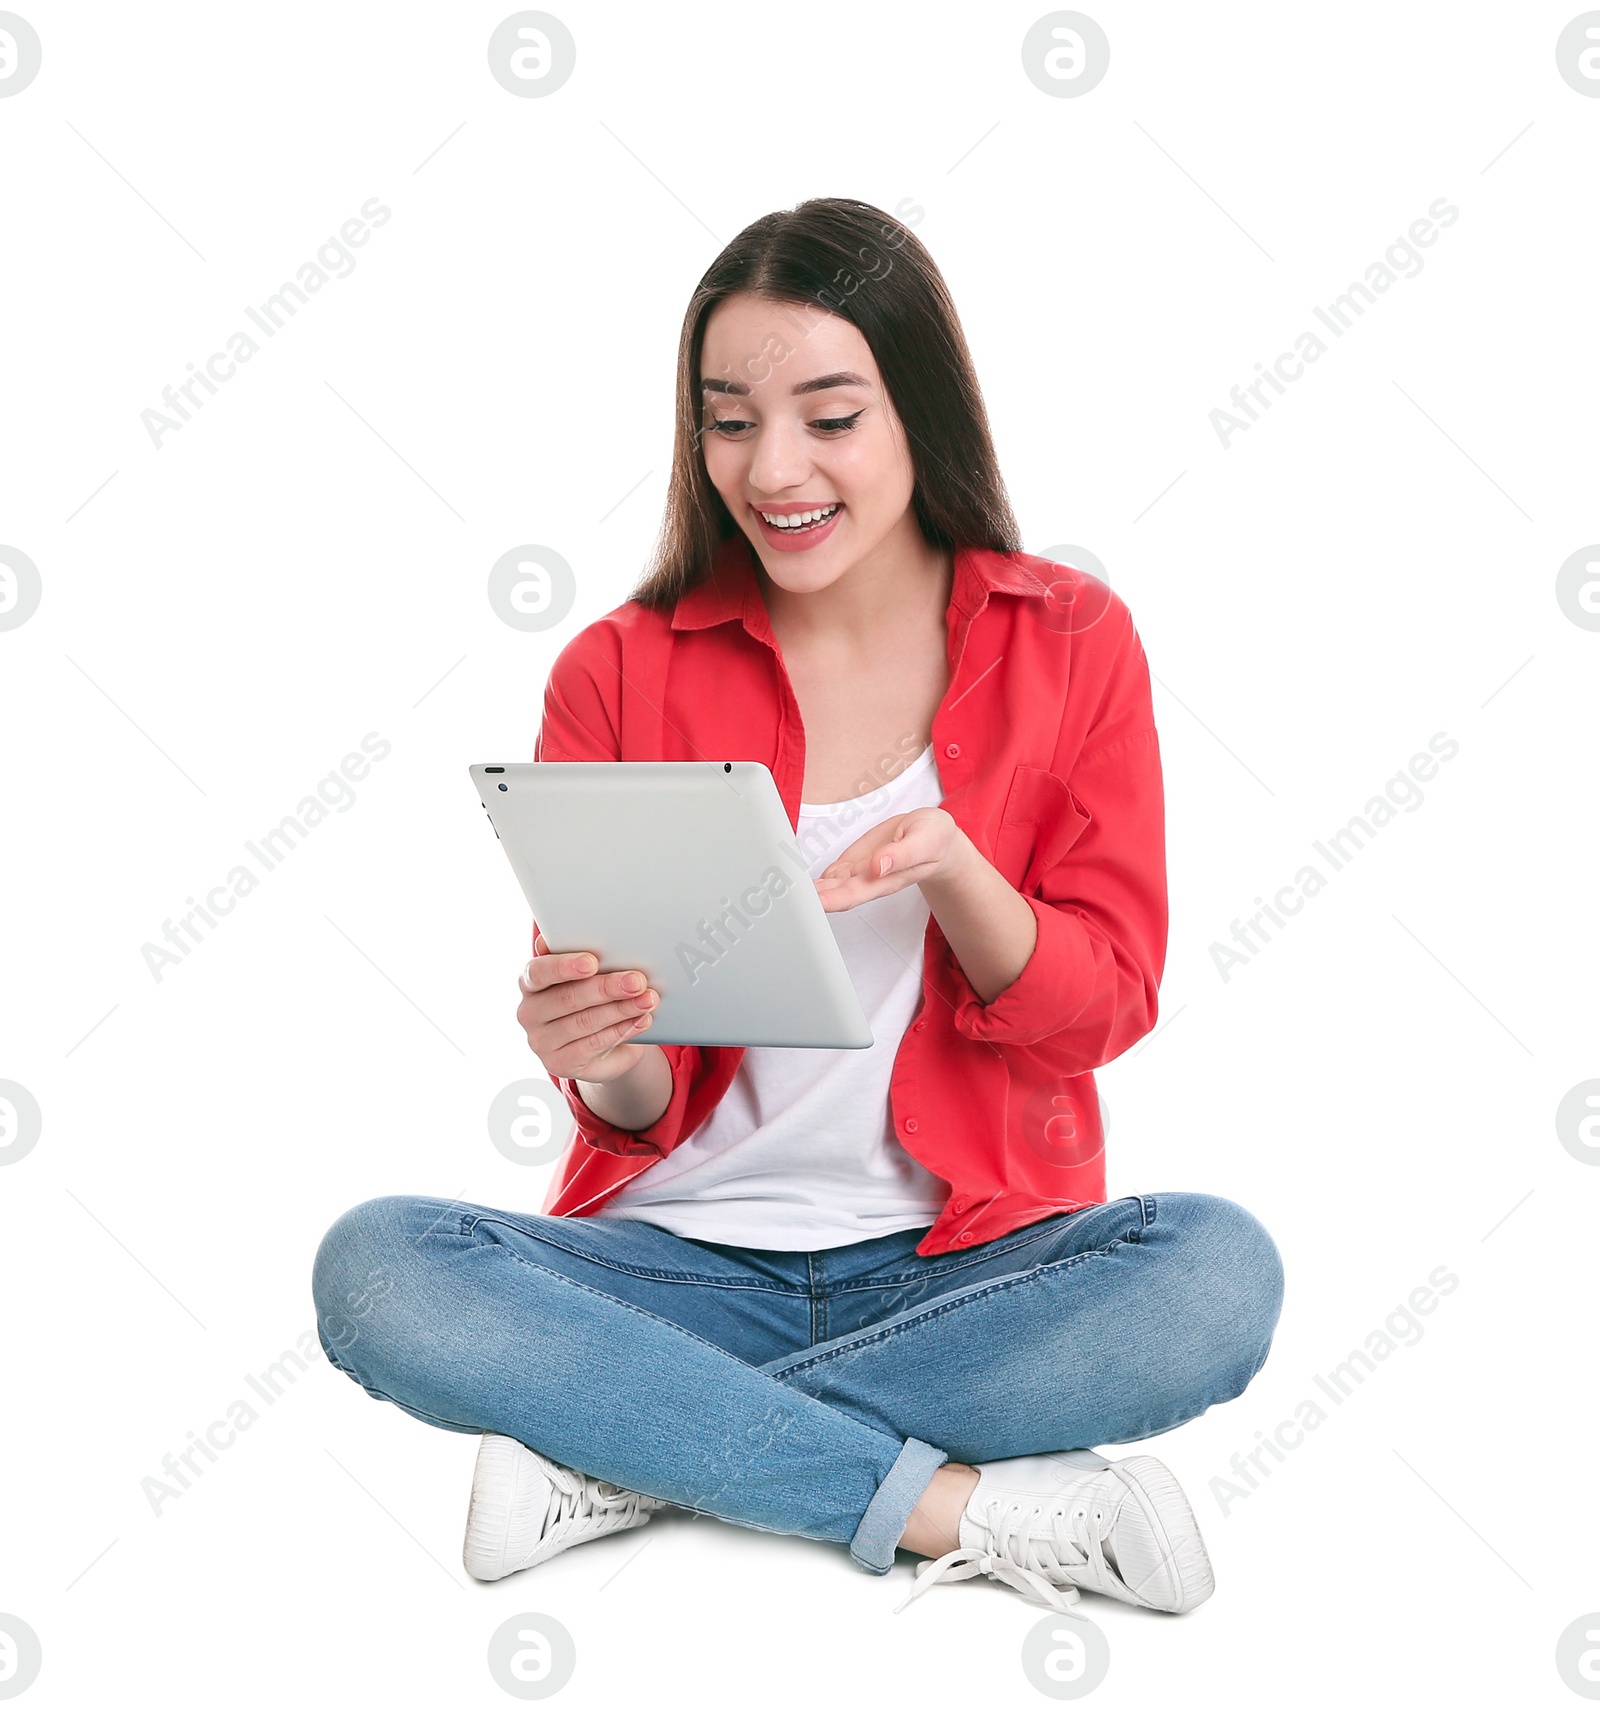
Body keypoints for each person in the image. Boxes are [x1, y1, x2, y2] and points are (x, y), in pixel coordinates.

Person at [311, 196, 1284, 1619]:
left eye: (830, 416)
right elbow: (639, 1104)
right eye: (729, 420)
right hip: (673, 1264)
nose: (774, 469)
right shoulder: (622, 666)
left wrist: (960, 874)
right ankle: (947, 1505)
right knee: (377, 1270)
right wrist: (600, 1048)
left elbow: (1108, 1000)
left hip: (972, 1269)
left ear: (917, 414)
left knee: (1215, 1273)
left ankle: (637, 1447)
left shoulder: (1069, 638)